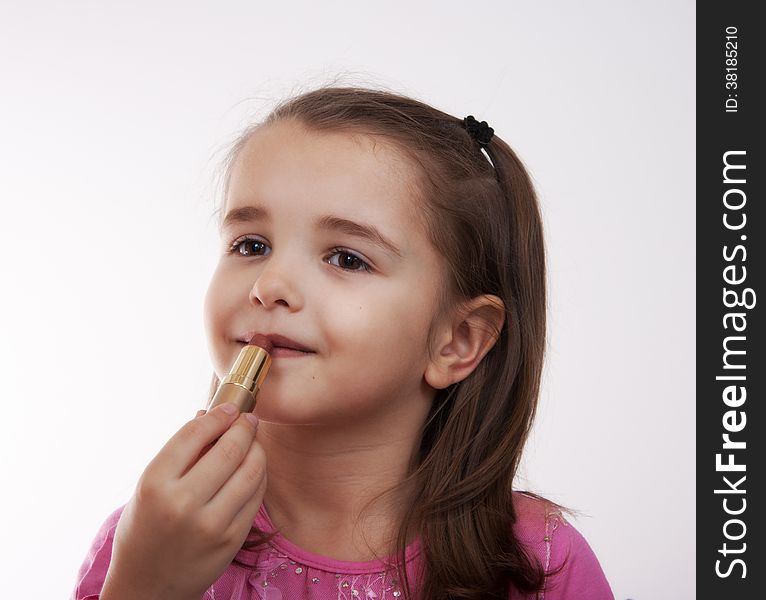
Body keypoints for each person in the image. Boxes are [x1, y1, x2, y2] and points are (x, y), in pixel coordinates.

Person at [71, 85, 615, 599]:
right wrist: (144, 584)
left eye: (346, 258)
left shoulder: (538, 560)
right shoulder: (150, 538)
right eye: (251, 244)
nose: (270, 286)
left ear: (457, 340)